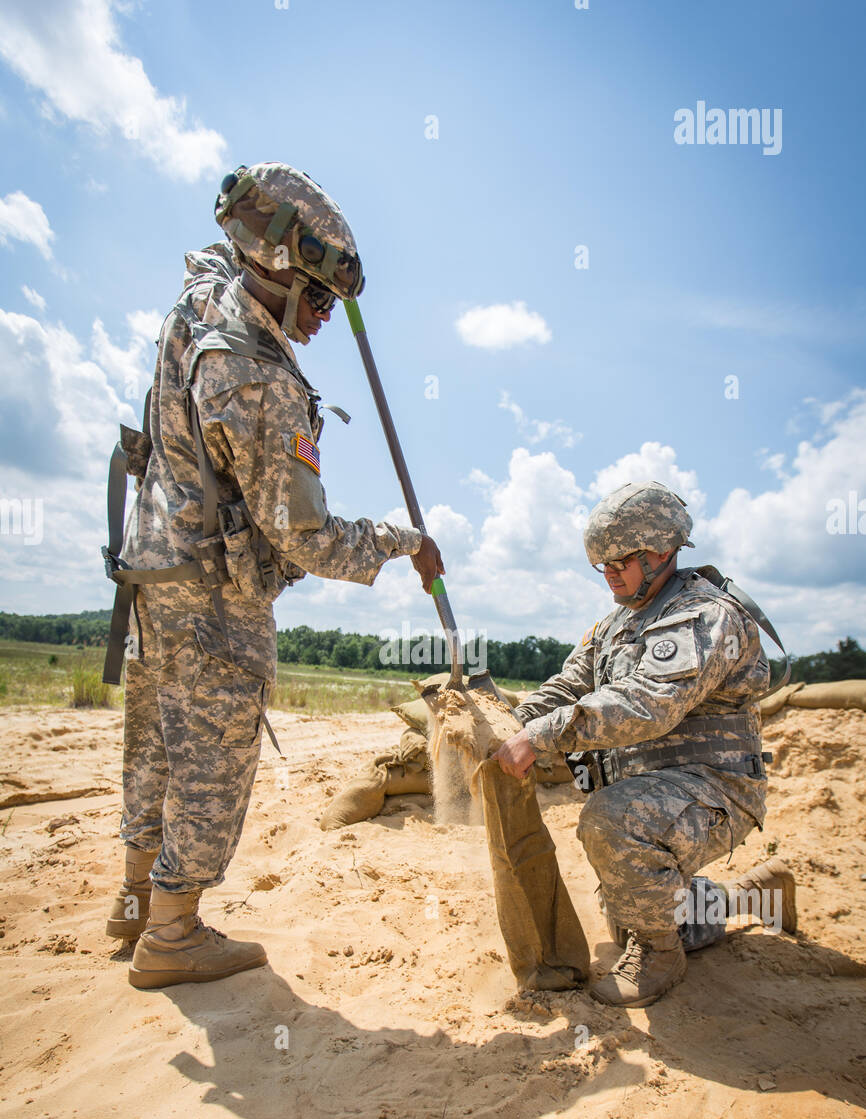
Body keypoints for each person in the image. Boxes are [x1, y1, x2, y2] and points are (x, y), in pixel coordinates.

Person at [104, 162, 443, 989]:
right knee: (213, 759)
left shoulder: (203, 290)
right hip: (213, 595)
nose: (324, 317)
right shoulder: (260, 379)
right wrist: (404, 541)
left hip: (152, 567)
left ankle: (131, 900)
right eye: (318, 298)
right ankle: (173, 934)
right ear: (279, 268)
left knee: (154, 739)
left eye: (333, 302)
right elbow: (308, 538)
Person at [493, 481, 796, 1008]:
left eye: (620, 561)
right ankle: (758, 893)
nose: (609, 574)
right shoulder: (615, 624)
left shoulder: (703, 615)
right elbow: (571, 685)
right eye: (601, 565)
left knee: (613, 822)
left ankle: (660, 956)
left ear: (661, 552)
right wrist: (512, 723)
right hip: (658, 793)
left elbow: (645, 703)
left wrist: (541, 736)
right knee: (629, 911)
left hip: (715, 791)